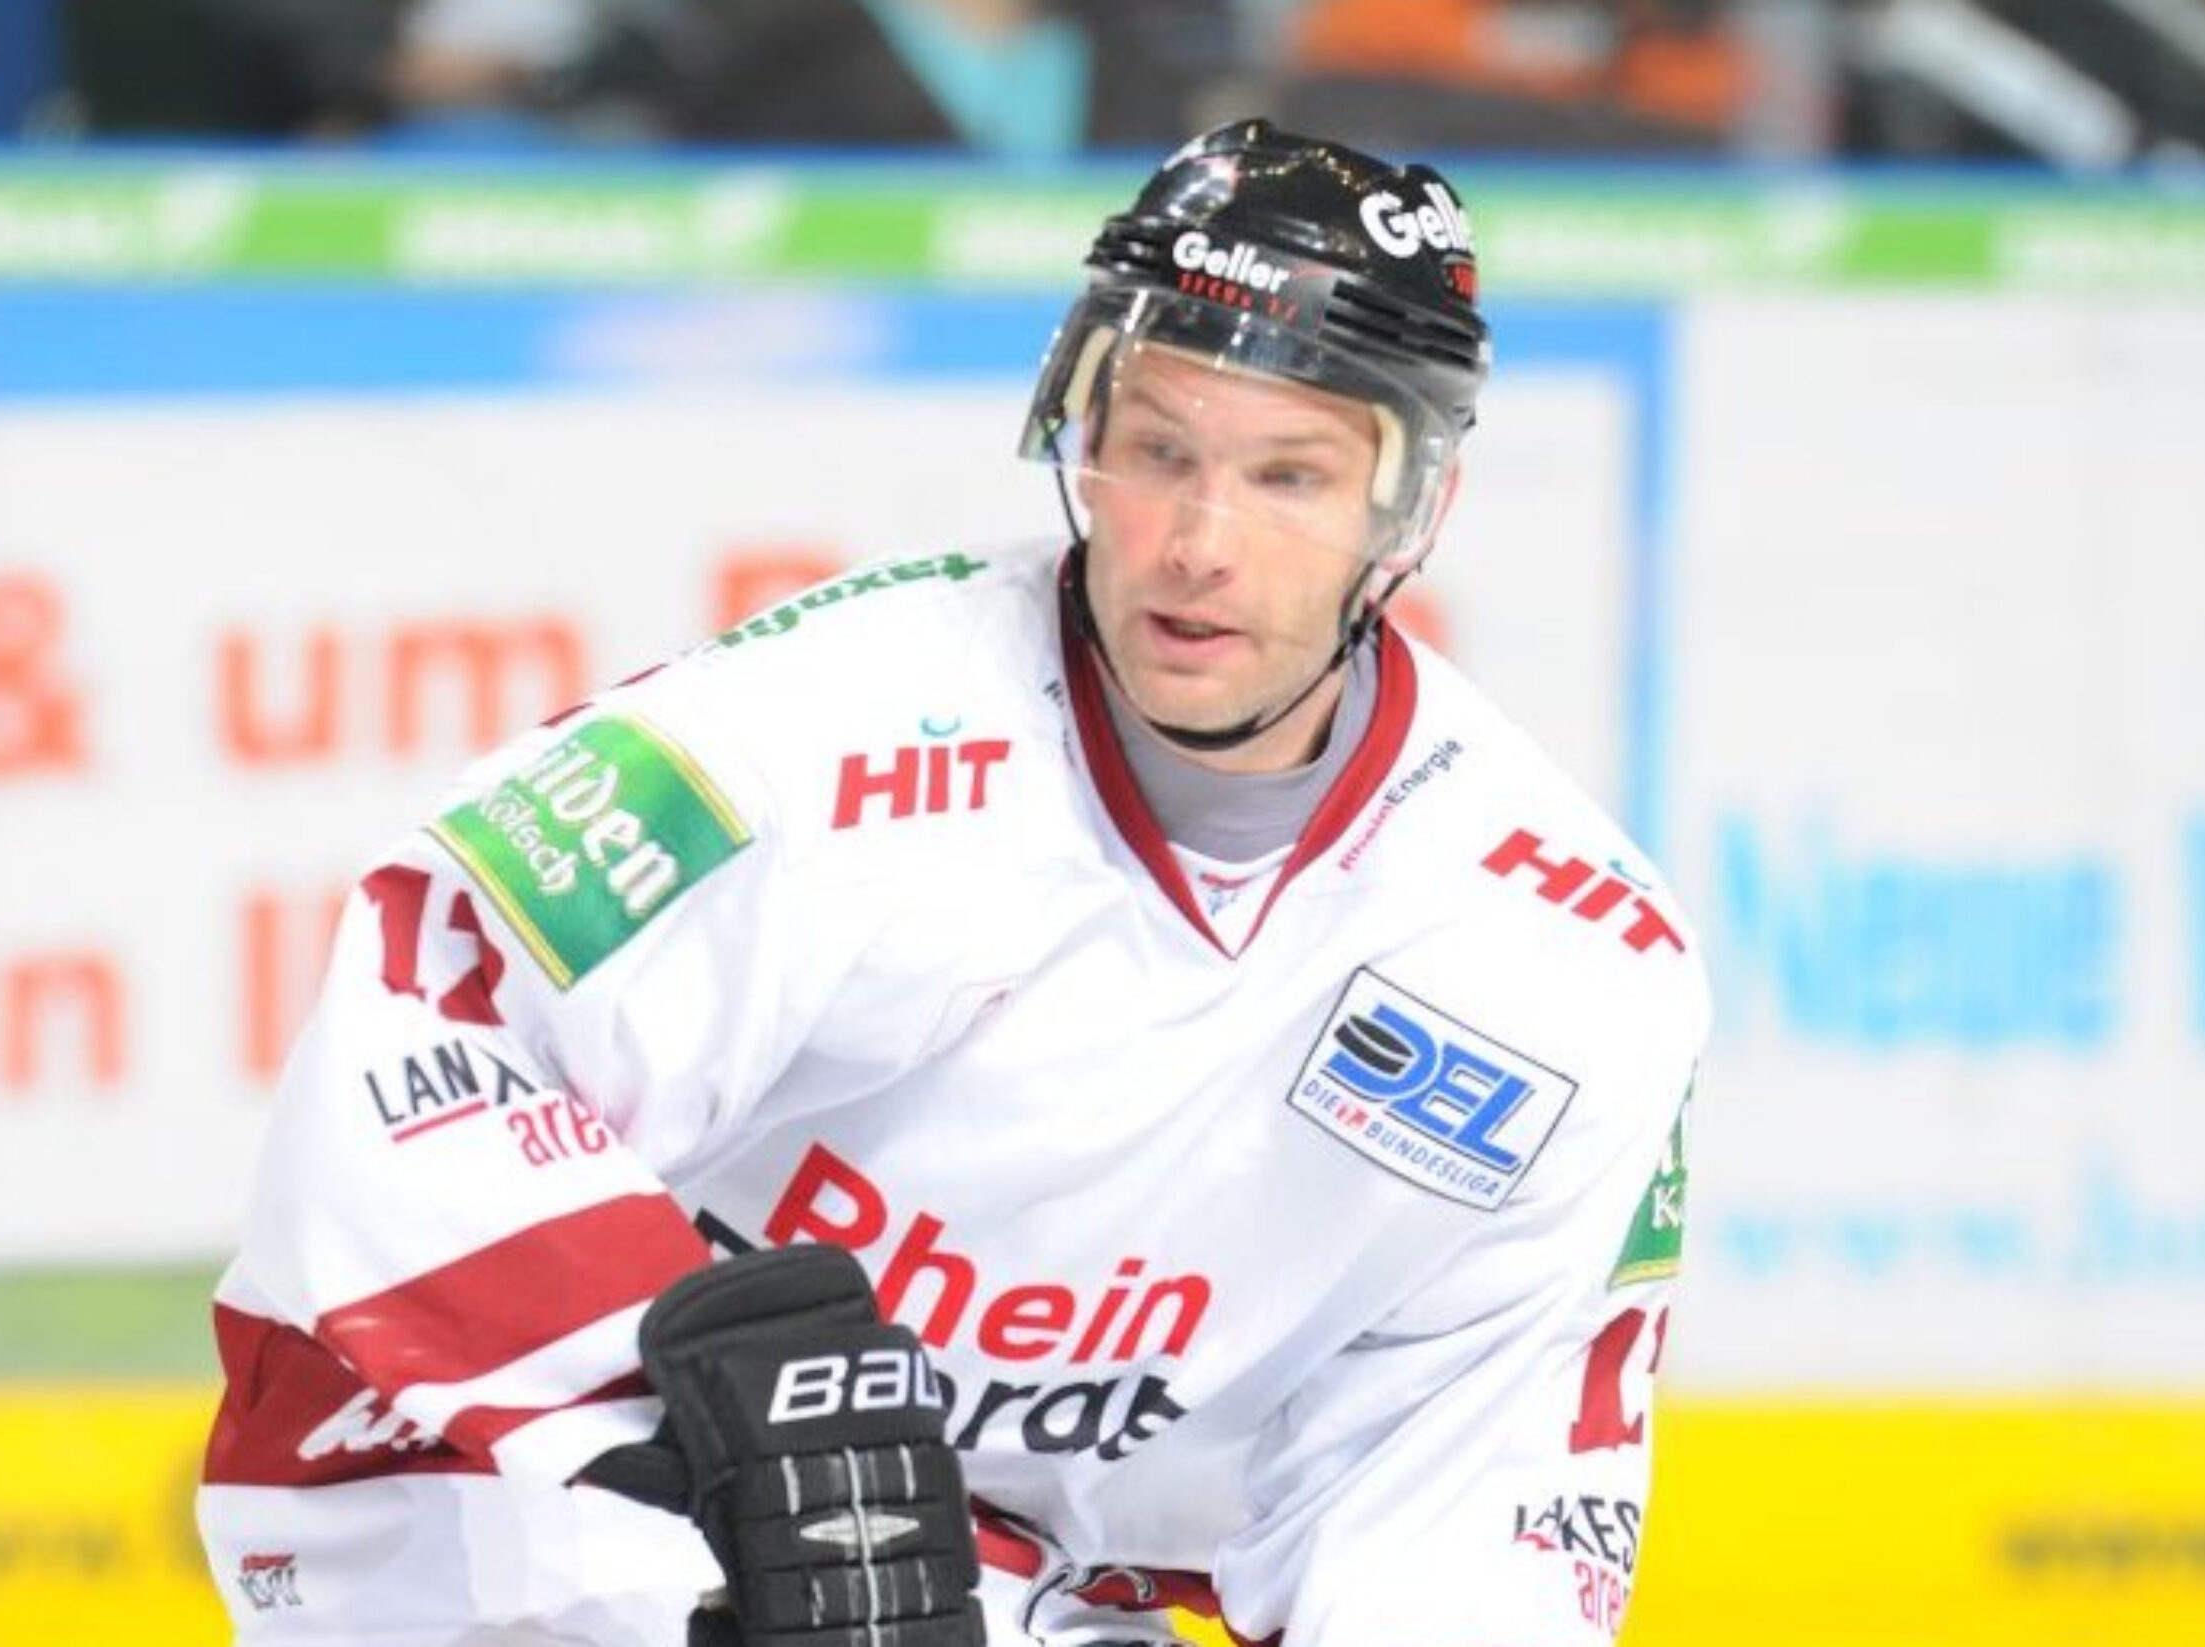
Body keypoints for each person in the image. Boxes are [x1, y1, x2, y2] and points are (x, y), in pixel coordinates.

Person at [197, 118, 1711, 1647]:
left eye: (1290, 476)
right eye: (1158, 451)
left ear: (1409, 509)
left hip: (1000, 1589)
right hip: (520, 1496)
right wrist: (734, 1417)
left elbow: (1471, 1499)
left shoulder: (1573, 966)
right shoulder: (826, 727)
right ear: (1082, 428)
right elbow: (427, 1025)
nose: (1201, 542)